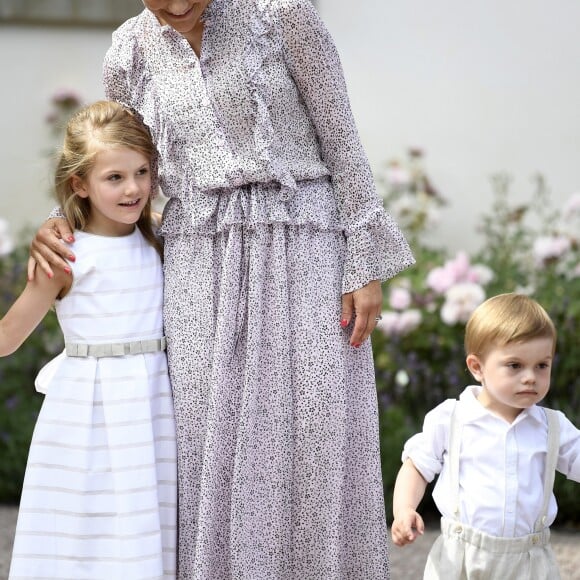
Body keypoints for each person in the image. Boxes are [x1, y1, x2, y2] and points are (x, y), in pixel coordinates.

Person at [29, 1, 415, 577]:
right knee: (208, 436)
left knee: (314, 423)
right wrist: (64, 222)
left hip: (303, 240)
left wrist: (363, 260)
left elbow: (340, 137)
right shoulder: (129, 50)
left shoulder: (284, 14)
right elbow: (116, 165)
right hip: (197, 259)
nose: (178, 6)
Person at [4, 100, 177, 579]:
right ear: (79, 184)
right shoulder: (65, 257)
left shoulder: (162, 240)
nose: (134, 188)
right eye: (114, 178)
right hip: (86, 411)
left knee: (146, 527)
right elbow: (8, 337)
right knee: (86, 530)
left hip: (153, 405)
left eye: (142, 172)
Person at [391, 293, 580, 579]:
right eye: (515, 365)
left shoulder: (552, 427)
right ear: (477, 367)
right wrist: (404, 509)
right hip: (462, 559)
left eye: (542, 365)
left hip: (530, 562)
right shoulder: (452, 419)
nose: (531, 377)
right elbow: (417, 466)